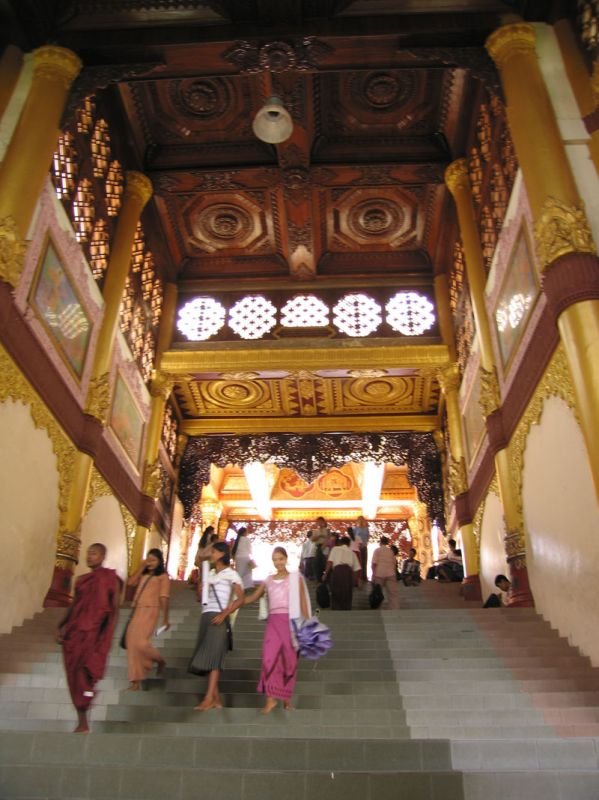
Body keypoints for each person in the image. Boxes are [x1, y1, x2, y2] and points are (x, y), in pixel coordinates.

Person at [56, 543, 120, 733]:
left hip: (95, 634)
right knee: (74, 675)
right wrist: (61, 625)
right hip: (76, 632)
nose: (89, 556)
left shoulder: (110, 579)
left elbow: (114, 609)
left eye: (94, 553)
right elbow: (74, 605)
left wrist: (109, 635)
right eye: (88, 553)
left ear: (102, 555)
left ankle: (84, 715)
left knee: (86, 674)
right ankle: (81, 719)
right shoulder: (82, 580)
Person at [244, 546, 310, 713]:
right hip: (273, 623)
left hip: (290, 623)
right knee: (269, 659)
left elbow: (302, 602)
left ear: (286, 559)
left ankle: (287, 700)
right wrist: (236, 601)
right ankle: (270, 700)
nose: (278, 562)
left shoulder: (296, 579)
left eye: (280, 558)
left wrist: (308, 626)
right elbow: (253, 597)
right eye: (275, 559)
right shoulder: (268, 580)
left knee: (289, 661)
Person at [189, 541, 244, 711]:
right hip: (206, 614)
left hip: (219, 617)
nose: (211, 555)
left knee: (214, 657)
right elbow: (200, 598)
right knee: (207, 654)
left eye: (213, 552)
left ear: (221, 554)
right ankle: (215, 697)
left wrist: (224, 614)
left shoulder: (231, 574)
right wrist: (200, 587)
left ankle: (208, 698)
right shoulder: (210, 573)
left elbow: (240, 598)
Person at [125, 548, 170, 691]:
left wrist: (165, 618)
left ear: (160, 562)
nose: (150, 562)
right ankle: (135, 681)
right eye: (148, 559)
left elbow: (164, 597)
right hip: (137, 609)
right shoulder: (143, 574)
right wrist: (141, 567)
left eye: (153, 560)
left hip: (151, 610)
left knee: (141, 644)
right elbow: (131, 583)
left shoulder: (163, 577)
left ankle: (159, 660)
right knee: (131, 644)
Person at [323, 536, 361, 610]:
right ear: (349, 544)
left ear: (340, 543)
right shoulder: (352, 553)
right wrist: (355, 580)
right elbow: (356, 569)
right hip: (348, 573)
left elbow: (330, 562)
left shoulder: (335, 549)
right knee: (347, 593)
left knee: (336, 591)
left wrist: (325, 573)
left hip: (337, 571)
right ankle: (346, 609)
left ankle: (336, 609)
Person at [371, 535, 400, 609]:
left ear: (380, 542)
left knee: (378, 593)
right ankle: (395, 610)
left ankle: (378, 609)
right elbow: (394, 564)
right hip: (390, 574)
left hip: (379, 574)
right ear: (387, 543)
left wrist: (373, 575)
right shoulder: (390, 551)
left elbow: (374, 564)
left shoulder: (377, 550)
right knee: (393, 594)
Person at [193, 526, 218, 601]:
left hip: (201, 559)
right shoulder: (212, 543)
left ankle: (199, 594)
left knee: (202, 578)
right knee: (206, 579)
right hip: (207, 561)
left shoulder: (203, 538)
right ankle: (202, 595)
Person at [232, 526, 255, 591]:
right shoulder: (247, 539)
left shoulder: (237, 540)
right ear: (244, 532)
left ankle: (238, 587)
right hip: (245, 558)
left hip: (238, 558)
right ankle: (247, 588)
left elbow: (234, 550)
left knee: (239, 573)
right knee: (247, 573)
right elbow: (250, 550)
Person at [309, 516, 331, 581]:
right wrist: (319, 536)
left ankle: (326, 578)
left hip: (326, 547)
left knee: (326, 562)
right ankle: (318, 578)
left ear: (324, 522)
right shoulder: (315, 531)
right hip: (318, 547)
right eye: (318, 522)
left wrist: (325, 541)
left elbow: (329, 538)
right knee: (317, 563)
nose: (320, 523)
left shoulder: (327, 530)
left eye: (321, 522)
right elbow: (312, 539)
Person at [354, 515, 370, 580]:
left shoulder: (366, 529)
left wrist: (365, 543)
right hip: (358, 547)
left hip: (364, 546)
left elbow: (368, 537)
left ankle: (364, 575)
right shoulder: (355, 529)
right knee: (359, 562)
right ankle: (359, 576)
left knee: (364, 561)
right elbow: (354, 537)